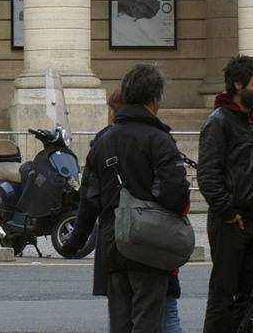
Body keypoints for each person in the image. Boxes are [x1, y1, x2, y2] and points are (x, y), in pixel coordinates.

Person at [69, 64, 190, 333]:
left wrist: (76, 240)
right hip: (150, 241)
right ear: (154, 98)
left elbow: (89, 199)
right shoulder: (159, 139)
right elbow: (176, 194)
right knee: (148, 319)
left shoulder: (103, 141)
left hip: (114, 241)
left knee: (121, 322)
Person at [198, 54, 253, 333]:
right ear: (238, 84)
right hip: (231, 221)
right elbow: (208, 174)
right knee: (223, 293)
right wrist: (227, 212)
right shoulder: (218, 122)